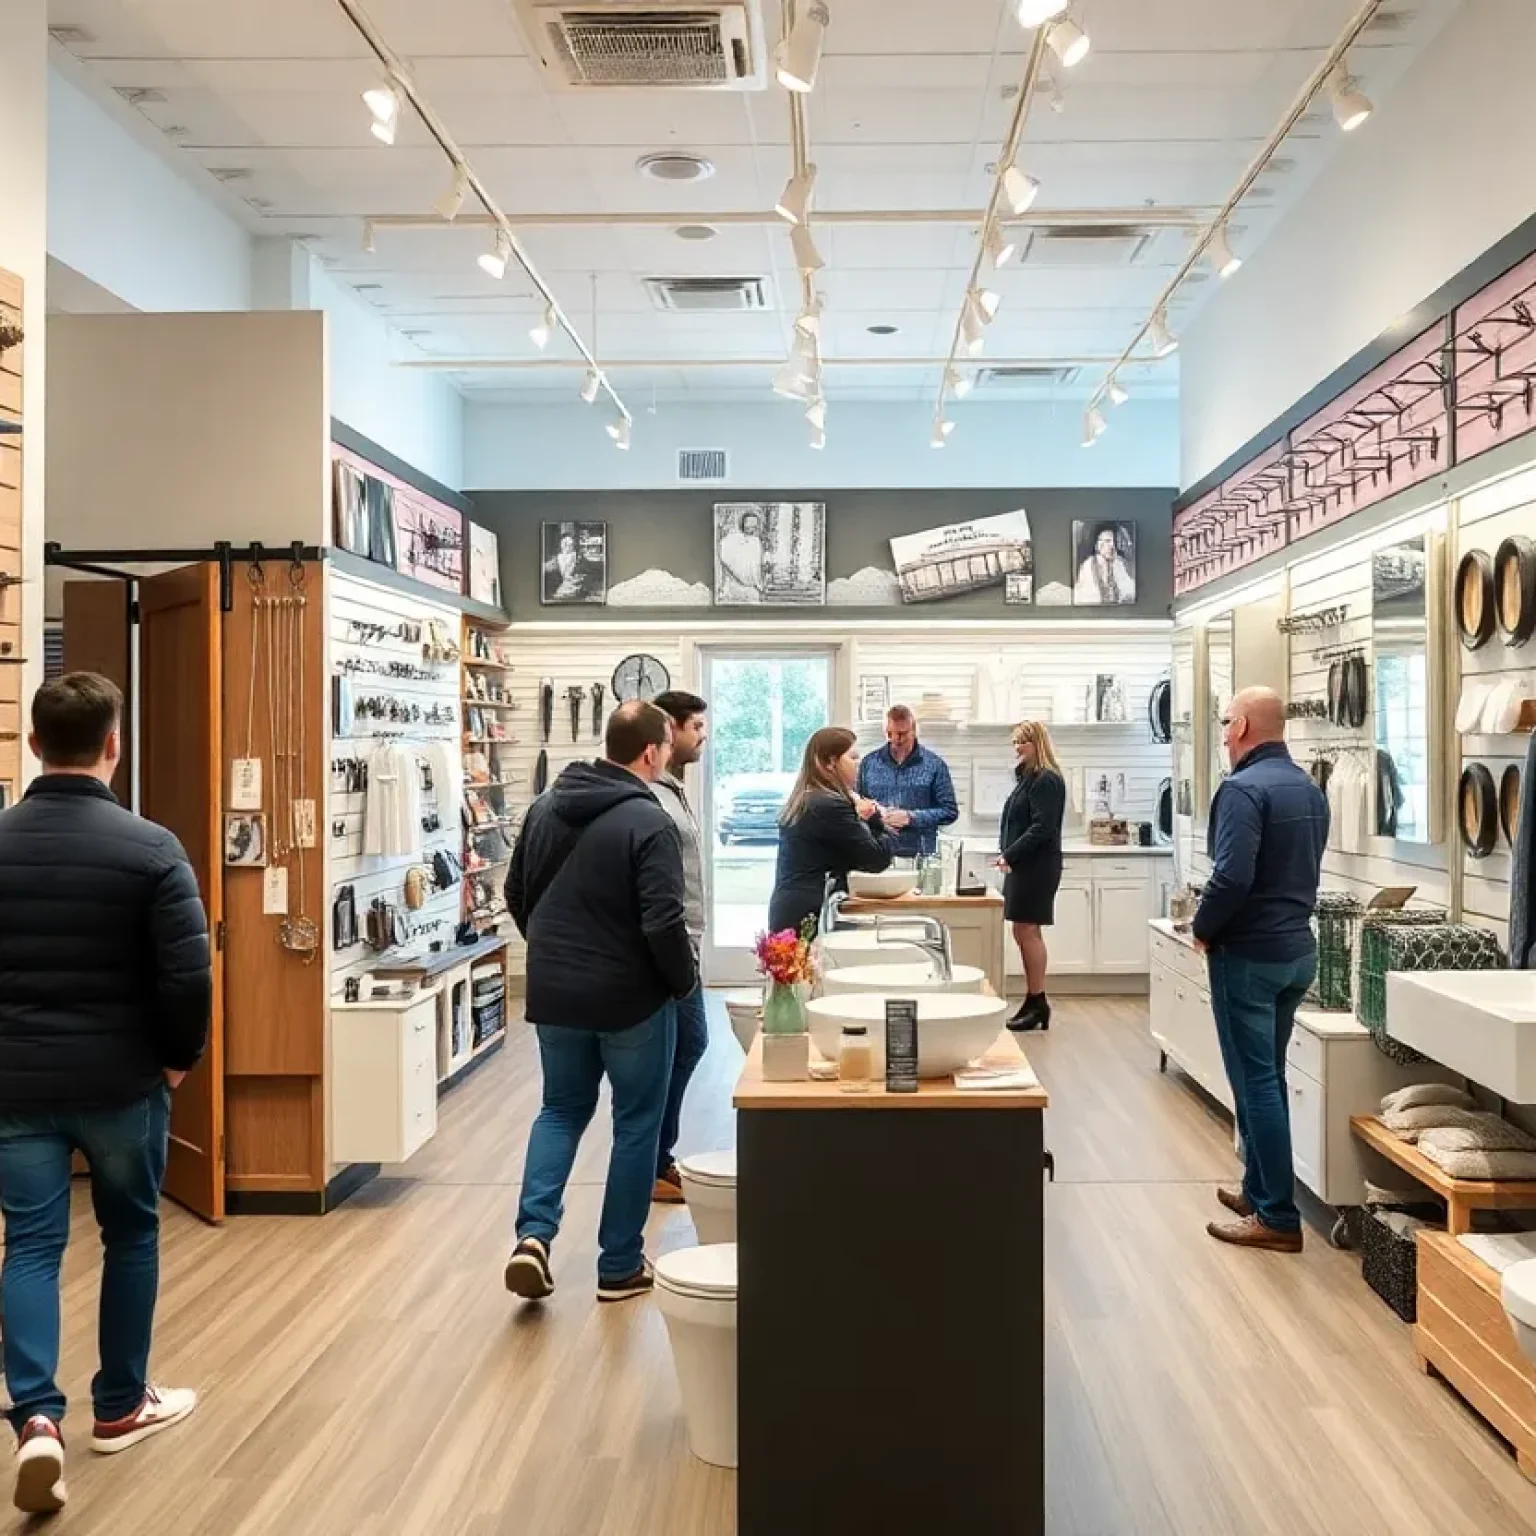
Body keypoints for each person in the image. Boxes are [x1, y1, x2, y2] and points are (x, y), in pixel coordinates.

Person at [0, 674, 210, 1515]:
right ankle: (120, 1404)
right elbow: (187, 974)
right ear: (113, 744)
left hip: (15, 1083)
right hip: (123, 1082)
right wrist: (177, 1058)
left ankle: (37, 1421)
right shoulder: (152, 848)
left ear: (32, 743)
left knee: (32, 1246)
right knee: (131, 1236)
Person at [503, 701, 697, 1304]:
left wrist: (556, 953)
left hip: (555, 994)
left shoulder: (542, 809)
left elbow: (515, 893)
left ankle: (533, 1237)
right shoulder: (649, 820)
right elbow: (664, 922)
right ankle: (618, 1266)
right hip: (631, 999)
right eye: (666, 748)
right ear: (650, 753)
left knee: (560, 1110)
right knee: (637, 1124)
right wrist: (682, 983)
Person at [1194, 686, 1328, 1254]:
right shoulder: (1309, 789)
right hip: (1297, 952)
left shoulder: (1243, 790)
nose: (1223, 734)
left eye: (1226, 723)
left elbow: (1232, 878)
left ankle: (1276, 1215)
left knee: (1257, 1085)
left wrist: (1201, 927)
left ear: (1244, 725)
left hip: (1248, 956)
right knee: (1267, 1076)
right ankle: (1257, 1190)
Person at [649, 689, 711, 1205]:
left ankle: (655, 1159)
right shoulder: (650, 793)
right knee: (686, 1044)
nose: (703, 736)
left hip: (684, 938)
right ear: (669, 729)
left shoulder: (673, 786)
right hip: (667, 943)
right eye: (696, 727)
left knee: (682, 1047)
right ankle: (653, 1161)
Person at [768, 726, 893, 936]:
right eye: (853, 758)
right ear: (830, 762)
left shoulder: (809, 798)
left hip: (791, 910)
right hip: (810, 914)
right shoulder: (830, 805)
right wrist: (874, 818)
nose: (858, 765)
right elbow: (877, 859)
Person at [995, 721, 1066, 1033]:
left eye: (1022, 743)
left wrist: (1010, 854)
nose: (1017, 749)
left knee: (1028, 931)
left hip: (1037, 867)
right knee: (1022, 931)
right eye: (1014, 743)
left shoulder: (1046, 780)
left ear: (1037, 743)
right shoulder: (1028, 779)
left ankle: (1037, 1001)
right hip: (1024, 866)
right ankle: (1033, 1000)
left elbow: (1042, 827)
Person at [856, 704, 959, 860]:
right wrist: (875, 814)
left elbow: (949, 811)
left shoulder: (934, 765)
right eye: (890, 734)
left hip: (921, 856)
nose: (895, 739)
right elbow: (858, 805)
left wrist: (911, 817)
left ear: (914, 732)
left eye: (902, 733)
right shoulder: (868, 763)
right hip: (877, 853)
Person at [1074, 522, 1136, 605]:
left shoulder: (1118, 562)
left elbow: (1128, 589)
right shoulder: (1088, 565)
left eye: (1114, 541)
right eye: (1108, 541)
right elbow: (1088, 597)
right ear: (1098, 545)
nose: (1112, 546)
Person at [717, 509, 765, 603]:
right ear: (743, 523)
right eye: (749, 523)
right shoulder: (731, 539)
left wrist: (759, 586)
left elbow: (757, 566)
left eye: (754, 524)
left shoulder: (756, 541)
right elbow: (724, 558)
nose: (752, 526)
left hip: (752, 589)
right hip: (733, 587)